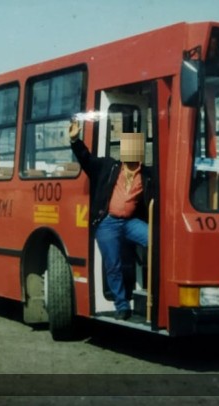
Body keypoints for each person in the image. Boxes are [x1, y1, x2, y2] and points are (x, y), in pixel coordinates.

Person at [69, 119, 151, 320]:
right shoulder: (108, 166)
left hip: (130, 222)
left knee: (155, 241)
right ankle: (122, 306)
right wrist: (75, 140)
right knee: (113, 264)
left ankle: (154, 295)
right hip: (108, 222)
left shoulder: (147, 175)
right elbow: (86, 160)